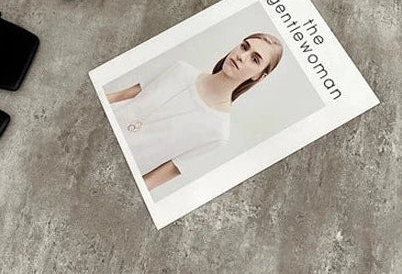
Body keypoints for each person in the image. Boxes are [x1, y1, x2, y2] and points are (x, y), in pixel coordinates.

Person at [106, 32, 284, 190]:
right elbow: (120, 95)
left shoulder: (218, 132)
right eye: (244, 47)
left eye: (255, 59)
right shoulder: (180, 69)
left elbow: (152, 180)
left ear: (259, 76)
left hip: (111, 167)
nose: (241, 56)